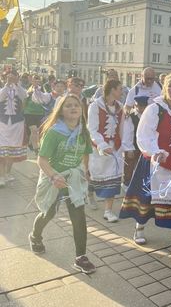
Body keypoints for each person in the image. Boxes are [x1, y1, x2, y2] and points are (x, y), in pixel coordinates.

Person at [119, 73, 171, 260]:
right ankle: (139, 227)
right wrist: (155, 152)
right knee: (148, 199)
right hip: (157, 162)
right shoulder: (155, 109)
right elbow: (143, 135)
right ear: (164, 87)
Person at [28, 94, 96, 274]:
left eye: (76, 105)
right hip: (53, 179)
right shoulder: (54, 132)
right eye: (68, 106)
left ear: (81, 109)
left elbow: (86, 153)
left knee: (78, 217)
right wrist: (53, 177)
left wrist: (85, 171)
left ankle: (80, 257)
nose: (73, 108)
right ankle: (35, 236)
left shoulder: (83, 131)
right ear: (60, 111)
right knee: (48, 212)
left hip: (73, 179)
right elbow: (41, 160)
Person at [87, 79, 125, 222]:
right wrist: (102, 145)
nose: (122, 92)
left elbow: (122, 129)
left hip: (114, 148)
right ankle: (90, 194)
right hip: (98, 148)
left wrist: (123, 147)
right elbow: (92, 129)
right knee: (95, 175)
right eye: (120, 89)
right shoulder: (95, 106)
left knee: (113, 178)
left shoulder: (120, 107)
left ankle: (108, 211)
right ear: (112, 90)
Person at [0, 70, 27, 187]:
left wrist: (17, 84)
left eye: (14, 76)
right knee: (2, 150)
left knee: (12, 150)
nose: (11, 78)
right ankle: (1, 176)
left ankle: (7, 173)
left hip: (17, 124)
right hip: (2, 123)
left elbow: (24, 96)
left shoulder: (20, 89)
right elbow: (1, 98)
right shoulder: (3, 88)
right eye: (8, 76)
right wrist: (7, 84)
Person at [121, 96, 149, 194]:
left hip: (145, 147)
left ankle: (140, 185)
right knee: (129, 166)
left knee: (142, 167)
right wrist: (129, 149)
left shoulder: (148, 116)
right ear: (135, 105)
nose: (141, 108)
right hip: (133, 145)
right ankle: (126, 184)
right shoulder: (131, 117)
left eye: (143, 106)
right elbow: (127, 133)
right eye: (138, 106)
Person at [24, 74, 47, 153]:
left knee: (35, 131)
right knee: (34, 130)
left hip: (40, 113)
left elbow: (46, 101)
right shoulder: (28, 89)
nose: (35, 81)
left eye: (37, 79)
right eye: (34, 79)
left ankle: (30, 143)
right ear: (31, 81)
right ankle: (36, 149)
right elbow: (24, 101)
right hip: (29, 113)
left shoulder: (43, 90)